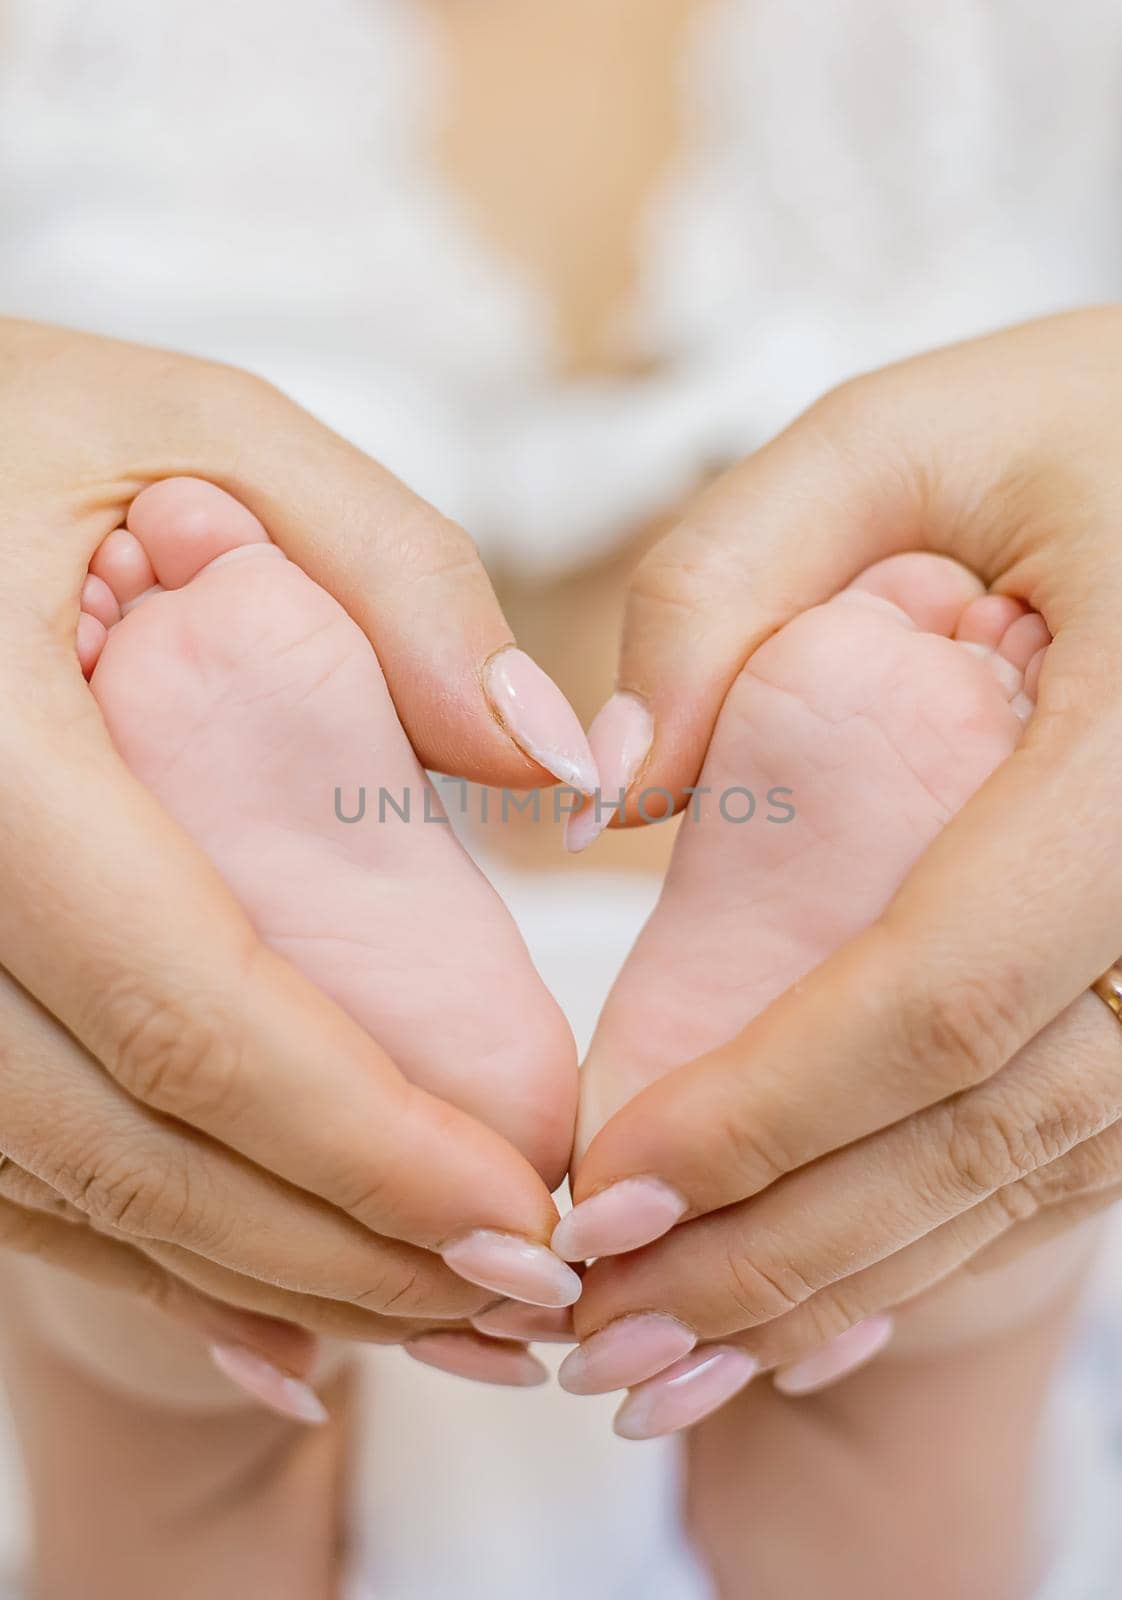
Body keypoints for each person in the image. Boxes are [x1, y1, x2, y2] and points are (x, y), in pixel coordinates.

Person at [2, 3, 1122, 1596]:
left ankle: (169, 1380)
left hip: (1028, 1026)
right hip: (52, 1033)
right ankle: (881, 1368)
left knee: (159, 1381)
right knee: (899, 1359)